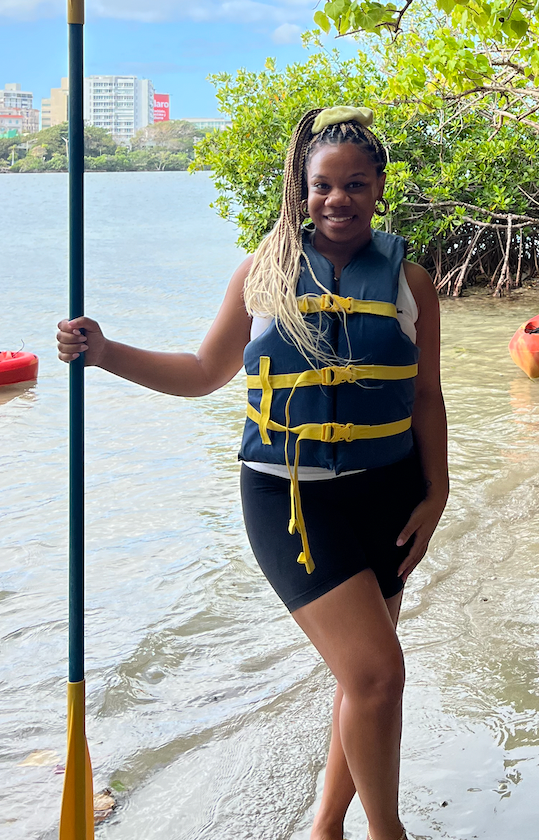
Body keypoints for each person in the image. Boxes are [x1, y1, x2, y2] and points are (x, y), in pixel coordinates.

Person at [56, 106, 448, 840]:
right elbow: (203, 372)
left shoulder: (411, 280)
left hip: (389, 496)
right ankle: (387, 833)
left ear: (380, 187)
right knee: (378, 675)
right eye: (324, 185)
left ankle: (326, 827)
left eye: (356, 185)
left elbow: (426, 396)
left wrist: (439, 490)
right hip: (288, 500)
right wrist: (106, 352)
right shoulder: (263, 273)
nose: (340, 200)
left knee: (364, 682)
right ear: (302, 191)